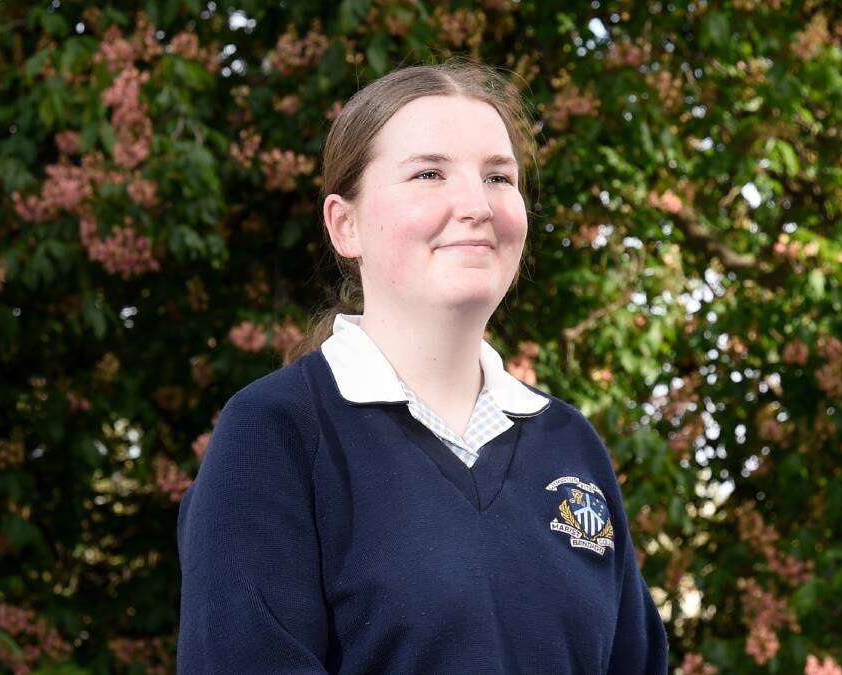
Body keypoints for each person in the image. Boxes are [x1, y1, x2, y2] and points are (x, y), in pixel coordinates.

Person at [177, 59, 669, 674]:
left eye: (498, 177)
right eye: (429, 173)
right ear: (344, 224)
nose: (476, 205)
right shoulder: (276, 432)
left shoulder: (570, 445)